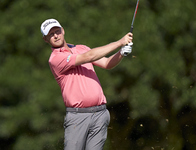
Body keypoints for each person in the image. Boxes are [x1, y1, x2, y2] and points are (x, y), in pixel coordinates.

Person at [41, 18, 133, 150]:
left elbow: (107, 64)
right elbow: (88, 57)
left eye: (57, 31)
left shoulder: (82, 48)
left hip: (100, 114)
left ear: (63, 31)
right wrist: (119, 42)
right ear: (45, 39)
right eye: (51, 34)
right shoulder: (55, 59)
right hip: (78, 117)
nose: (55, 35)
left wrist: (121, 53)